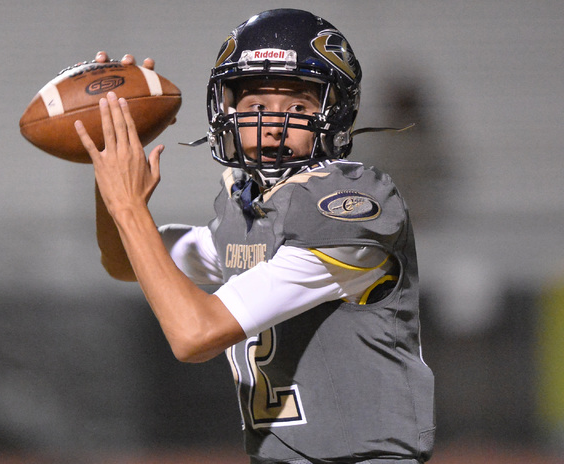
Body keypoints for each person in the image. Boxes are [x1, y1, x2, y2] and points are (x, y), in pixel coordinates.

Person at [75, 8, 435, 464]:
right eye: (256, 105)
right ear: (226, 110)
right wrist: (109, 162)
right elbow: (125, 262)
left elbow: (193, 334)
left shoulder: (346, 205)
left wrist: (128, 205)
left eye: (298, 106)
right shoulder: (248, 206)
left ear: (336, 113)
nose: (273, 123)